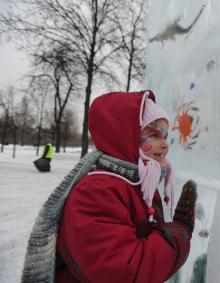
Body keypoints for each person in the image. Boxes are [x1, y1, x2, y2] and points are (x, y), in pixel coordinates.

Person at [21, 91, 197, 283]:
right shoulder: (97, 192)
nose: (165, 145)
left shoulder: (137, 182)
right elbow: (125, 272)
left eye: (165, 136)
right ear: (123, 135)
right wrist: (179, 233)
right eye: (154, 135)